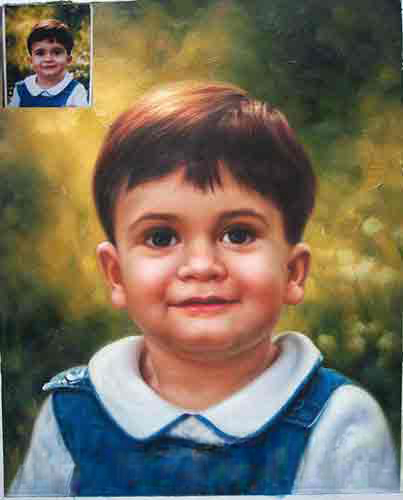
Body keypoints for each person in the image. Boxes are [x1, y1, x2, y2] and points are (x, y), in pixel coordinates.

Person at [10, 81, 398, 495]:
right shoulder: (71, 417)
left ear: (293, 272)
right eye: (161, 237)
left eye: (238, 234)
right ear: (116, 275)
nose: (201, 266)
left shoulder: (338, 423)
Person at [8, 19, 88, 108]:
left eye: (57, 52)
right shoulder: (21, 89)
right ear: (30, 60)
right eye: (40, 53)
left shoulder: (76, 91)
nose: (48, 59)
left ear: (68, 60)